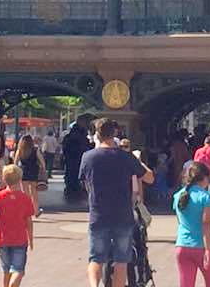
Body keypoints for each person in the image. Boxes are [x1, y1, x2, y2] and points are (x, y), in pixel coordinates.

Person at [79, 119, 154, 287]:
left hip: (98, 214)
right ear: (115, 134)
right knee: (122, 260)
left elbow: (85, 185)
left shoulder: (88, 157)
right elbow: (149, 177)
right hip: (123, 216)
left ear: (97, 134)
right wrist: (136, 160)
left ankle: (94, 285)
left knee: (95, 259)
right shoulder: (125, 157)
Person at [173, 161, 210, 287]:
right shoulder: (206, 197)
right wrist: (209, 249)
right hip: (201, 246)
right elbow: (206, 224)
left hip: (182, 245)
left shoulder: (178, 196)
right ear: (204, 178)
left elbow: (180, 221)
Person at [0, 165, 35, 287]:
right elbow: (29, 221)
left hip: (3, 239)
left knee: (6, 269)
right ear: (20, 179)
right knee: (18, 270)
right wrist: (31, 238)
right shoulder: (25, 198)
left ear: (4, 179)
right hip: (20, 239)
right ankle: (13, 285)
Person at [14, 134, 46, 218]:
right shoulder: (35, 150)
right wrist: (43, 169)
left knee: (25, 193)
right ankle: (36, 211)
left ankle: (25, 211)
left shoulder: (20, 150)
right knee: (34, 193)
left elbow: (15, 163)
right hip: (33, 172)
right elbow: (42, 162)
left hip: (23, 172)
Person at [63, 117, 90, 197]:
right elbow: (85, 147)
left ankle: (70, 188)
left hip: (70, 159)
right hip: (80, 158)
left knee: (70, 173)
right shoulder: (82, 137)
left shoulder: (68, 137)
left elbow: (64, 148)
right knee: (78, 173)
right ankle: (77, 187)